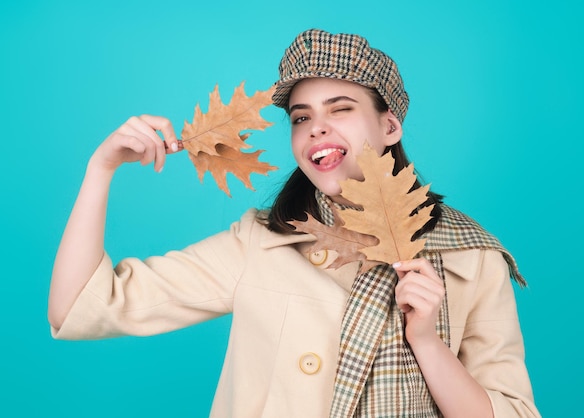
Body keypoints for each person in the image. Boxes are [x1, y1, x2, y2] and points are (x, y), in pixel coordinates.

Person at [48, 29, 541, 417]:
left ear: (389, 125)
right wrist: (101, 169)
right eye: (301, 118)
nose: (316, 128)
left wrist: (427, 343)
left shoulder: (469, 258)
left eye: (341, 109)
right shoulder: (260, 244)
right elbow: (80, 309)